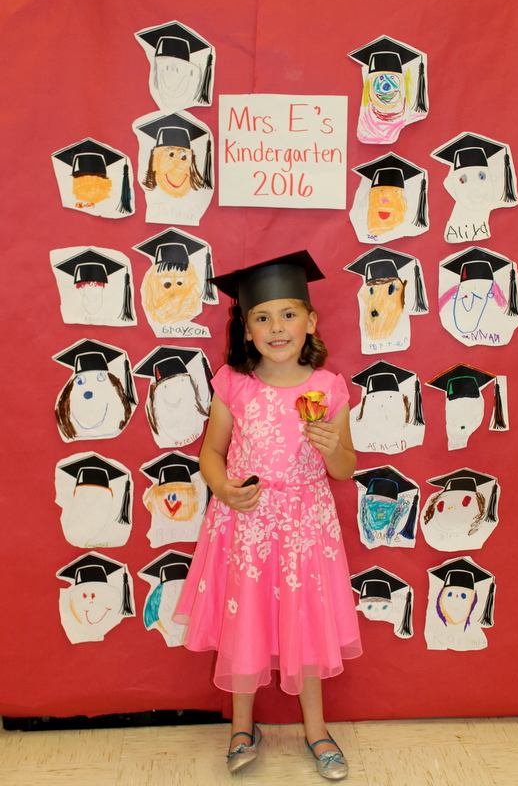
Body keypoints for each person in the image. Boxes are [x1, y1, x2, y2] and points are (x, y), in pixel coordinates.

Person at [174, 251, 361, 779]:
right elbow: (212, 452)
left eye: (288, 314)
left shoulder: (329, 388)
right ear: (247, 330)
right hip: (248, 524)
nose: (277, 328)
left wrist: (331, 448)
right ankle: (242, 726)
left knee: (308, 622)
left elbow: (345, 468)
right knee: (245, 620)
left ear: (310, 321)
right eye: (262, 317)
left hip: (305, 526)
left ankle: (316, 729)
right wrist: (222, 488)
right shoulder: (233, 383)